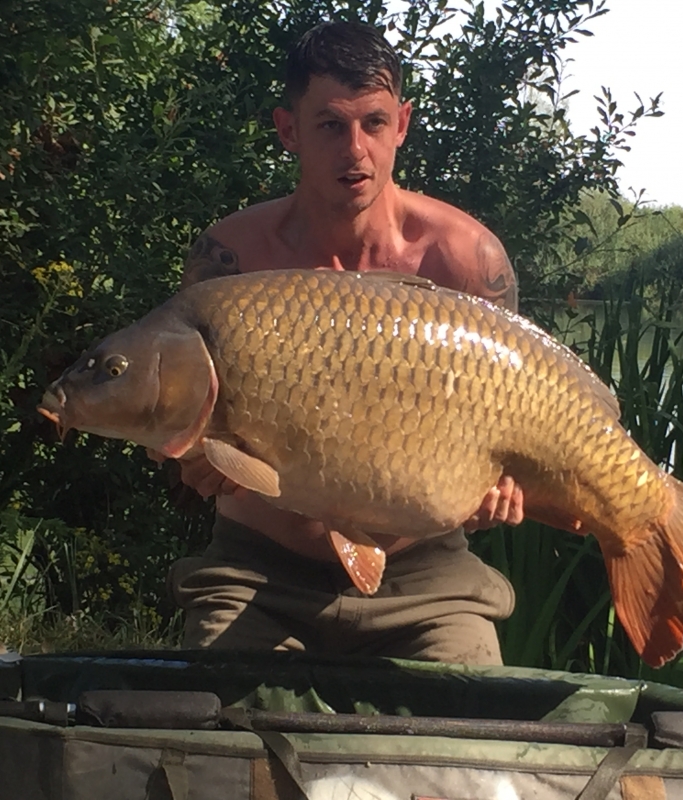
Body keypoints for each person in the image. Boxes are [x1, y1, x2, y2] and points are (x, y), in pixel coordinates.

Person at [167, 20, 526, 665]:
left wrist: (499, 488)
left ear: (403, 124)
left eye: (374, 123)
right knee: (218, 740)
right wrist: (195, 462)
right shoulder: (233, 258)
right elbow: (177, 422)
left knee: (467, 743)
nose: (355, 150)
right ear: (288, 129)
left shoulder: (465, 259)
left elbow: (509, 426)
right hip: (259, 573)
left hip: (426, 579)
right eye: (331, 125)